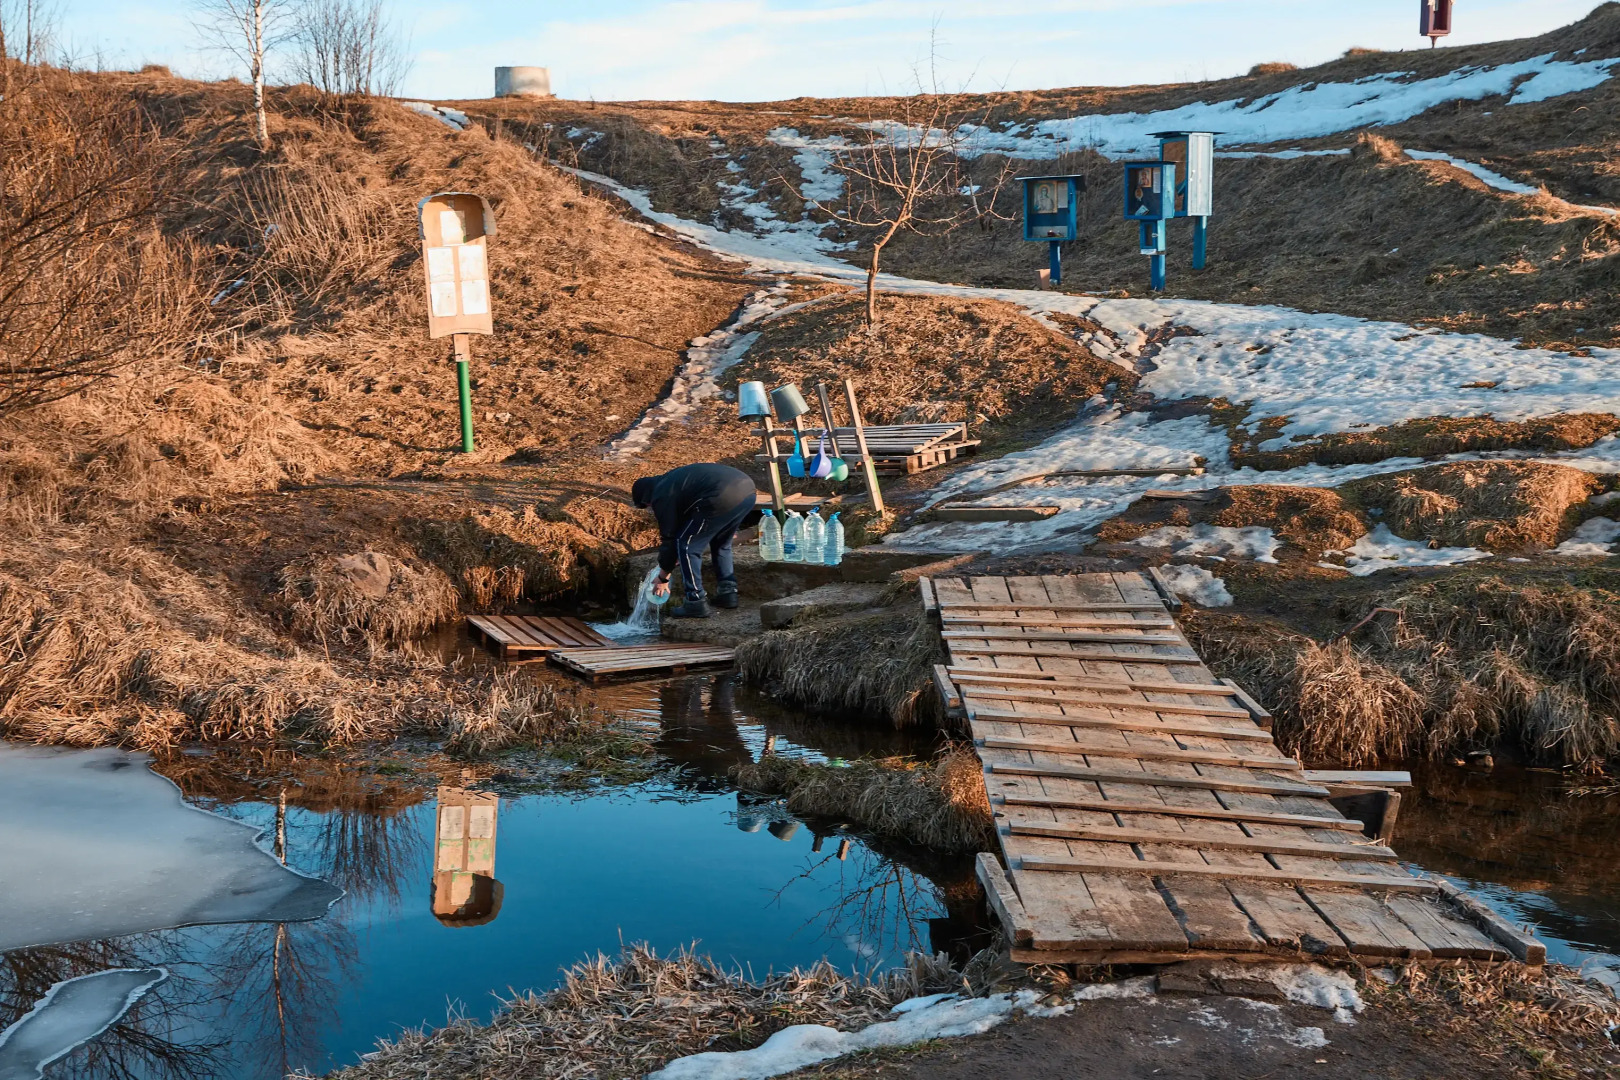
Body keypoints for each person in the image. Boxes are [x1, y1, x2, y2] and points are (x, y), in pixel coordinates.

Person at [631, 463, 756, 619]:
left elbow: (670, 539)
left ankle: (695, 601)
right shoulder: (672, 481)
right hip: (747, 491)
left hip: (720, 495)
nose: (650, 509)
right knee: (721, 543)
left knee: (686, 545)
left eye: (646, 506)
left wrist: (663, 577)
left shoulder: (660, 495)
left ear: (645, 498)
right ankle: (728, 593)